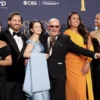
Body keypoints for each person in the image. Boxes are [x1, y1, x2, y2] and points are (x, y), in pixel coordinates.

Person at [40, 18, 100, 100]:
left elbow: (79, 49)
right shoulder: (43, 38)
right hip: (45, 74)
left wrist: (95, 54)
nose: (54, 28)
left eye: (56, 26)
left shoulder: (65, 39)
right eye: (52, 26)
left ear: (59, 27)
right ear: (48, 27)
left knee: (58, 97)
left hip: (59, 75)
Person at [64, 12, 94, 100]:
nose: (76, 20)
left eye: (78, 18)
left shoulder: (85, 33)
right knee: (72, 90)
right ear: (69, 21)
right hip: (70, 67)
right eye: (74, 18)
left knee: (81, 91)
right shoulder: (66, 34)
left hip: (83, 65)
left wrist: (87, 63)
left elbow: (90, 48)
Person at [0, 12, 26, 100]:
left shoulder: (24, 37)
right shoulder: (2, 36)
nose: (17, 22)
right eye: (14, 20)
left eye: (19, 21)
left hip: (20, 78)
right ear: (8, 22)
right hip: (6, 77)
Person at [23, 20, 50, 100]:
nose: (39, 28)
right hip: (34, 73)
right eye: (36, 27)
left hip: (38, 71)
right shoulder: (33, 39)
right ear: (31, 30)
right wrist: (42, 56)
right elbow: (25, 54)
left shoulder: (38, 39)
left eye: (40, 26)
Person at [90, 12, 100, 100]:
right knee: (97, 88)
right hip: (95, 65)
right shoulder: (92, 34)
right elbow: (88, 50)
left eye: (97, 19)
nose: (95, 20)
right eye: (95, 18)